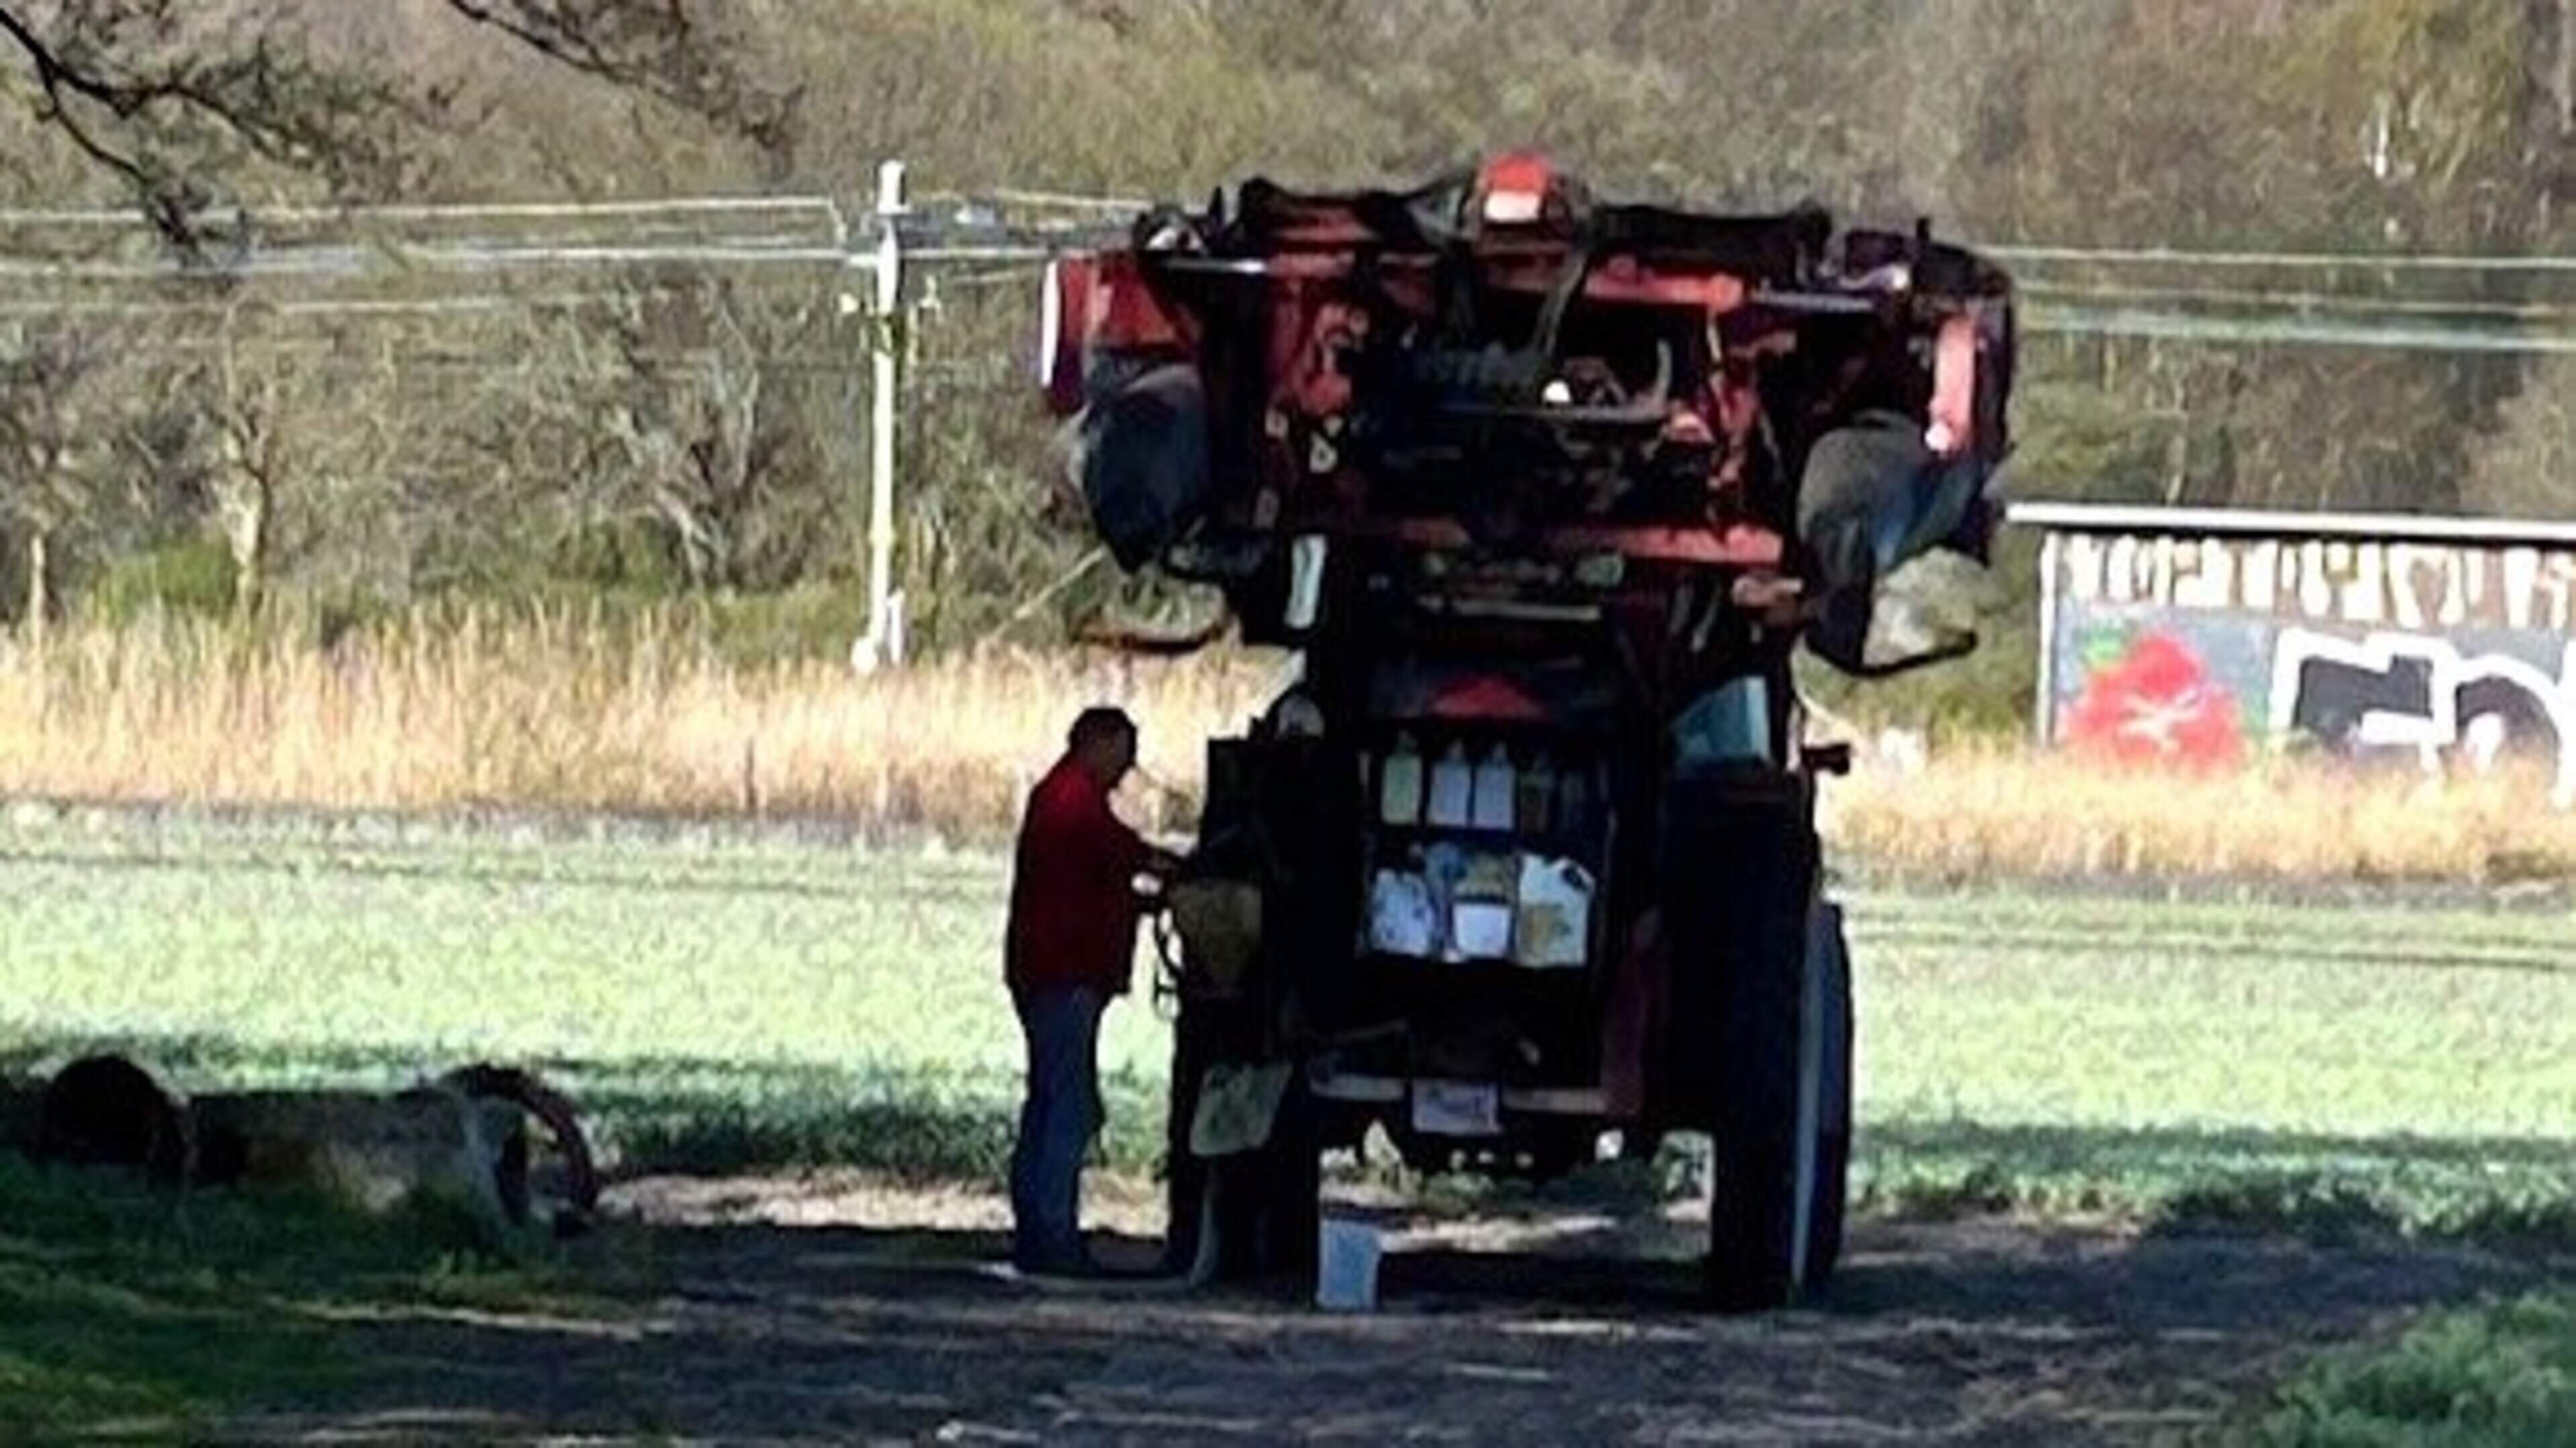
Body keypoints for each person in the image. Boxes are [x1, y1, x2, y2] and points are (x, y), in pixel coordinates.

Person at [1004, 706, 1179, 1276]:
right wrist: (1179, 871)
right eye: (1123, 750)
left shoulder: (1063, 799)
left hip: (1052, 971)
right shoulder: (1071, 803)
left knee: (1050, 1099)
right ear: (1096, 744)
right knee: (1067, 1105)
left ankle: (1038, 1226)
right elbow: (1122, 855)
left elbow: (1099, 878)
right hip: (1063, 974)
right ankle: (1052, 1234)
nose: (1128, 766)